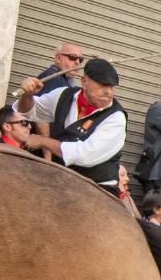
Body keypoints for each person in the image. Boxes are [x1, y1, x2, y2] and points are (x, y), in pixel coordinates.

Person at [13, 57, 127, 193]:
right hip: (62, 179)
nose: (108, 91)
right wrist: (27, 95)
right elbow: (28, 111)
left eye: (111, 86)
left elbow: (85, 155)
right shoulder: (63, 95)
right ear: (84, 82)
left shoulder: (116, 118)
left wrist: (43, 141)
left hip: (98, 188)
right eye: (102, 85)